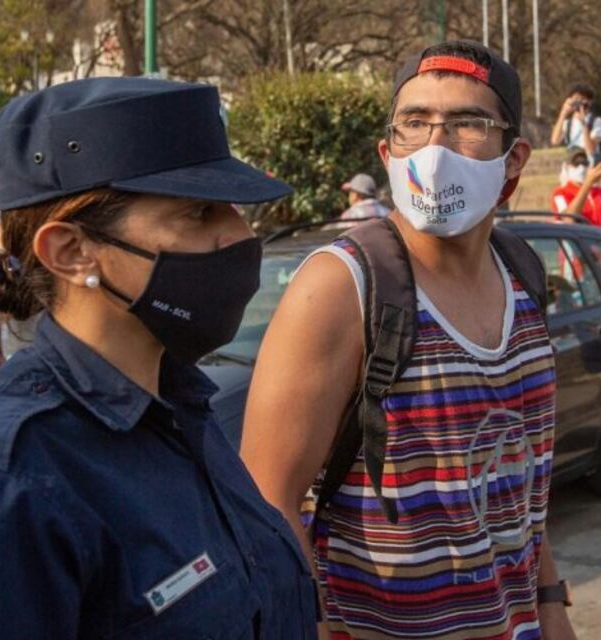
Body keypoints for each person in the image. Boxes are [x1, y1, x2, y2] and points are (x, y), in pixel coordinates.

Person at [0, 77, 317, 639]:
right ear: (70, 252)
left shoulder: (181, 409)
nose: (240, 236)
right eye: (199, 213)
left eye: (233, 209)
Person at [242, 41, 576, 639]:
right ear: (386, 152)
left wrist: (551, 605)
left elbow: (516, 485)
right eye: (414, 123)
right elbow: (268, 505)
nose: (435, 147)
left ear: (514, 159)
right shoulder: (339, 287)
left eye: (468, 123)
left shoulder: (522, 272)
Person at [551, 146, 601, 233]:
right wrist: (588, 183)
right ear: (566, 167)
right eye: (576, 163)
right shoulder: (559, 193)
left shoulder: (600, 192)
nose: (581, 167)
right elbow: (568, 219)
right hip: (578, 245)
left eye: (584, 162)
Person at [549, 83, 601, 163]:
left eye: (582, 99)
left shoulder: (596, 121)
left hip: (588, 166)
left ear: (589, 102)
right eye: (575, 99)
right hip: (570, 167)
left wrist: (583, 124)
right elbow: (555, 141)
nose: (578, 103)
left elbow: (591, 150)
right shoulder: (568, 123)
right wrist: (563, 114)